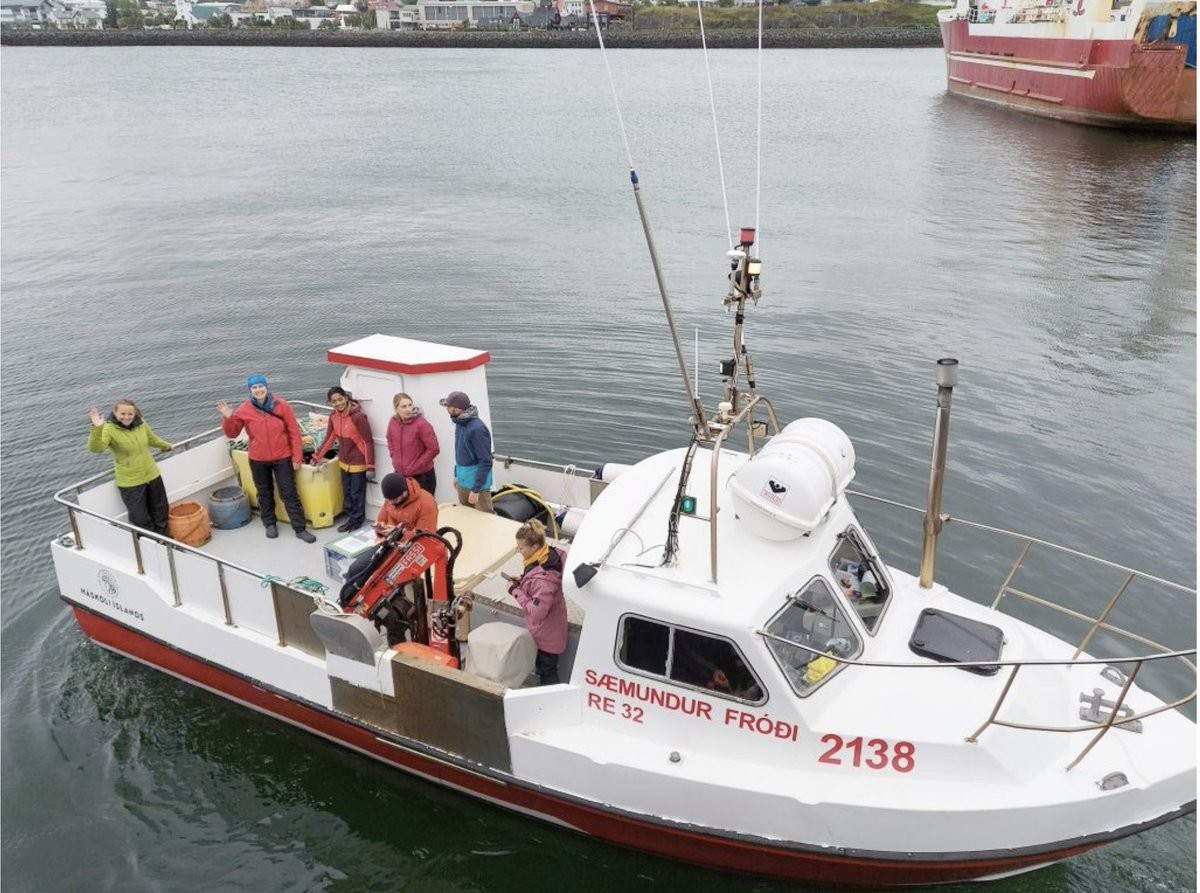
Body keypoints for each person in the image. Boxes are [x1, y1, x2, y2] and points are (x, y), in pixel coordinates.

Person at [218, 375, 316, 543]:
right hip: (258, 459)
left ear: (266, 387)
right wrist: (228, 418)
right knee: (264, 493)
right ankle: (270, 524)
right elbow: (232, 433)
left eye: (260, 386)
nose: (258, 390)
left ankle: (300, 528)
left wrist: (297, 457)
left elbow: (294, 432)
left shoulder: (282, 405)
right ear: (250, 390)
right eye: (254, 387)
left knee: (289, 493)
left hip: (283, 457)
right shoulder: (243, 409)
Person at [87, 400, 173, 536]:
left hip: (152, 475)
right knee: (140, 519)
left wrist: (167, 446)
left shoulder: (141, 423)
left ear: (135, 414)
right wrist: (97, 428)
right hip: (130, 482)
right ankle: (149, 544)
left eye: (130, 414)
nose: (126, 417)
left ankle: (165, 541)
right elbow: (96, 448)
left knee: (161, 512)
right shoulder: (108, 428)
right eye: (123, 413)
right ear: (115, 413)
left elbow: (152, 439)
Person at [508, 519, 568, 686]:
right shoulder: (548, 555)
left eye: (521, 548)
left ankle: (551, 698)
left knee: (547, 672)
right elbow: (537, 580)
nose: (518, 551)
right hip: (552, 628)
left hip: (546, 636)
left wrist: (515, 591)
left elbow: (538, 611)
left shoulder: (544, 580)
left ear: (534, 547)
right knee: (546, 669)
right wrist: (522, 580)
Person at [313, 386, 375, 533]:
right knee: (346, 492)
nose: (338, 403)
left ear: (346, 398)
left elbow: (367, 442)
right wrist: (317, 457)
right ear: (330, 403)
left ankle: (357, 520)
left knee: (356, 493)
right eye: (334, 401)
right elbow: (329, 438)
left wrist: (370, 466)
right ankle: (350, 518)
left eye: (340, 399)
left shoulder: (358, 417)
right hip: (344, 462)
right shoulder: (333, 416)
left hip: (358, 462)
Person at [439, 390, 493, 513]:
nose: (447, 409)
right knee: (466, 514)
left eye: (449, 407)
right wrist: (457, 475)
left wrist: (476, 489)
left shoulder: (477, 429)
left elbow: (486, 461)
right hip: (463, 480)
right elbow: (459, 451)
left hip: (477, 485)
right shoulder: (459, 423)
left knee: (485, 517)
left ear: (457, 409)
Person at [386, 392, 439, 498]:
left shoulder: (422, 424)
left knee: (424, 506)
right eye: (404, 406)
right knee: (405, 506)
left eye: (410, 405)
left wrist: (416, 466)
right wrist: (394, 456)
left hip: (422, 477)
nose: (408, 409)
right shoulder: (393, 422)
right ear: (396, 409)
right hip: (401, 475)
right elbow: (389, 439)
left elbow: (434, 449)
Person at [374, 472, 439, 536]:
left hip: (413, 540)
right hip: (390, 537)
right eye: (388, 499)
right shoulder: (392, 497)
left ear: (404, 493)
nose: (391, 503)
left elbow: (424, 536)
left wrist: (399, 534)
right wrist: (380, 527)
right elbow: (381, 520)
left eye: (395, 500)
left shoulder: (426, 503)